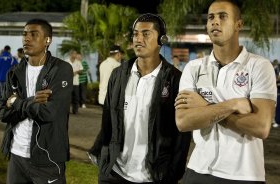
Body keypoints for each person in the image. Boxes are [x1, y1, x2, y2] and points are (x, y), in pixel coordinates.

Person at [175, 0, 277, 184]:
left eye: (223, 16)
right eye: (211, 17)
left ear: (239, 24)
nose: (215, 22)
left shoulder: (259, 66)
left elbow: (261, 127)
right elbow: (183, 121)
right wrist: (233, 105)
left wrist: (205, 107)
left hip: (244, 175)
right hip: (197, 169)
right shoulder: (193, 68)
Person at [89, 13, 191, 184]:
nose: (138, 39)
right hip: (115, 174)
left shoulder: (175, 79)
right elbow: (108, 120)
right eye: (135, 34)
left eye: (145, 34)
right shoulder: (118, 75)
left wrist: (172, 173)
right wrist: (103, 158)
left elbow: (182, 134)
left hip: (155, 176)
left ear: (161, 39)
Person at [0, 19, 73, 183]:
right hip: (16, 155)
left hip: (47, 158)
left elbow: (49, 112)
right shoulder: (14, 72)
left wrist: (16, 103)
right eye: (25, 34)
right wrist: (33, 101)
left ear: (48, 40)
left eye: (34, 34)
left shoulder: (61, 69)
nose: (27, 38)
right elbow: (3, 113)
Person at [66, 49, 83, 114]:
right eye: (74, 54)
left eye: (76, 54)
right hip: (68, 83)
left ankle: (75, 110)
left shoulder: (78, 62)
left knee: (76, 98)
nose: (76, 55)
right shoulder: (66, 61)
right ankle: (66, 110)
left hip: (76, 83)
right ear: (71, 54)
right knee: (68, 98)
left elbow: (81, 70)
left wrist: (76, 71)